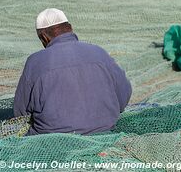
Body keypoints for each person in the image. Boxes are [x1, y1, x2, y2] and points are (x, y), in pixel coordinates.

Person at [13, 8, 132, 136]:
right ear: (70, 28)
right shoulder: (99, 52)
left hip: (51, 139)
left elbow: (20, 113)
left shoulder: (34, 62)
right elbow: (124, 94)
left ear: (44, 37)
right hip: (105, 131)